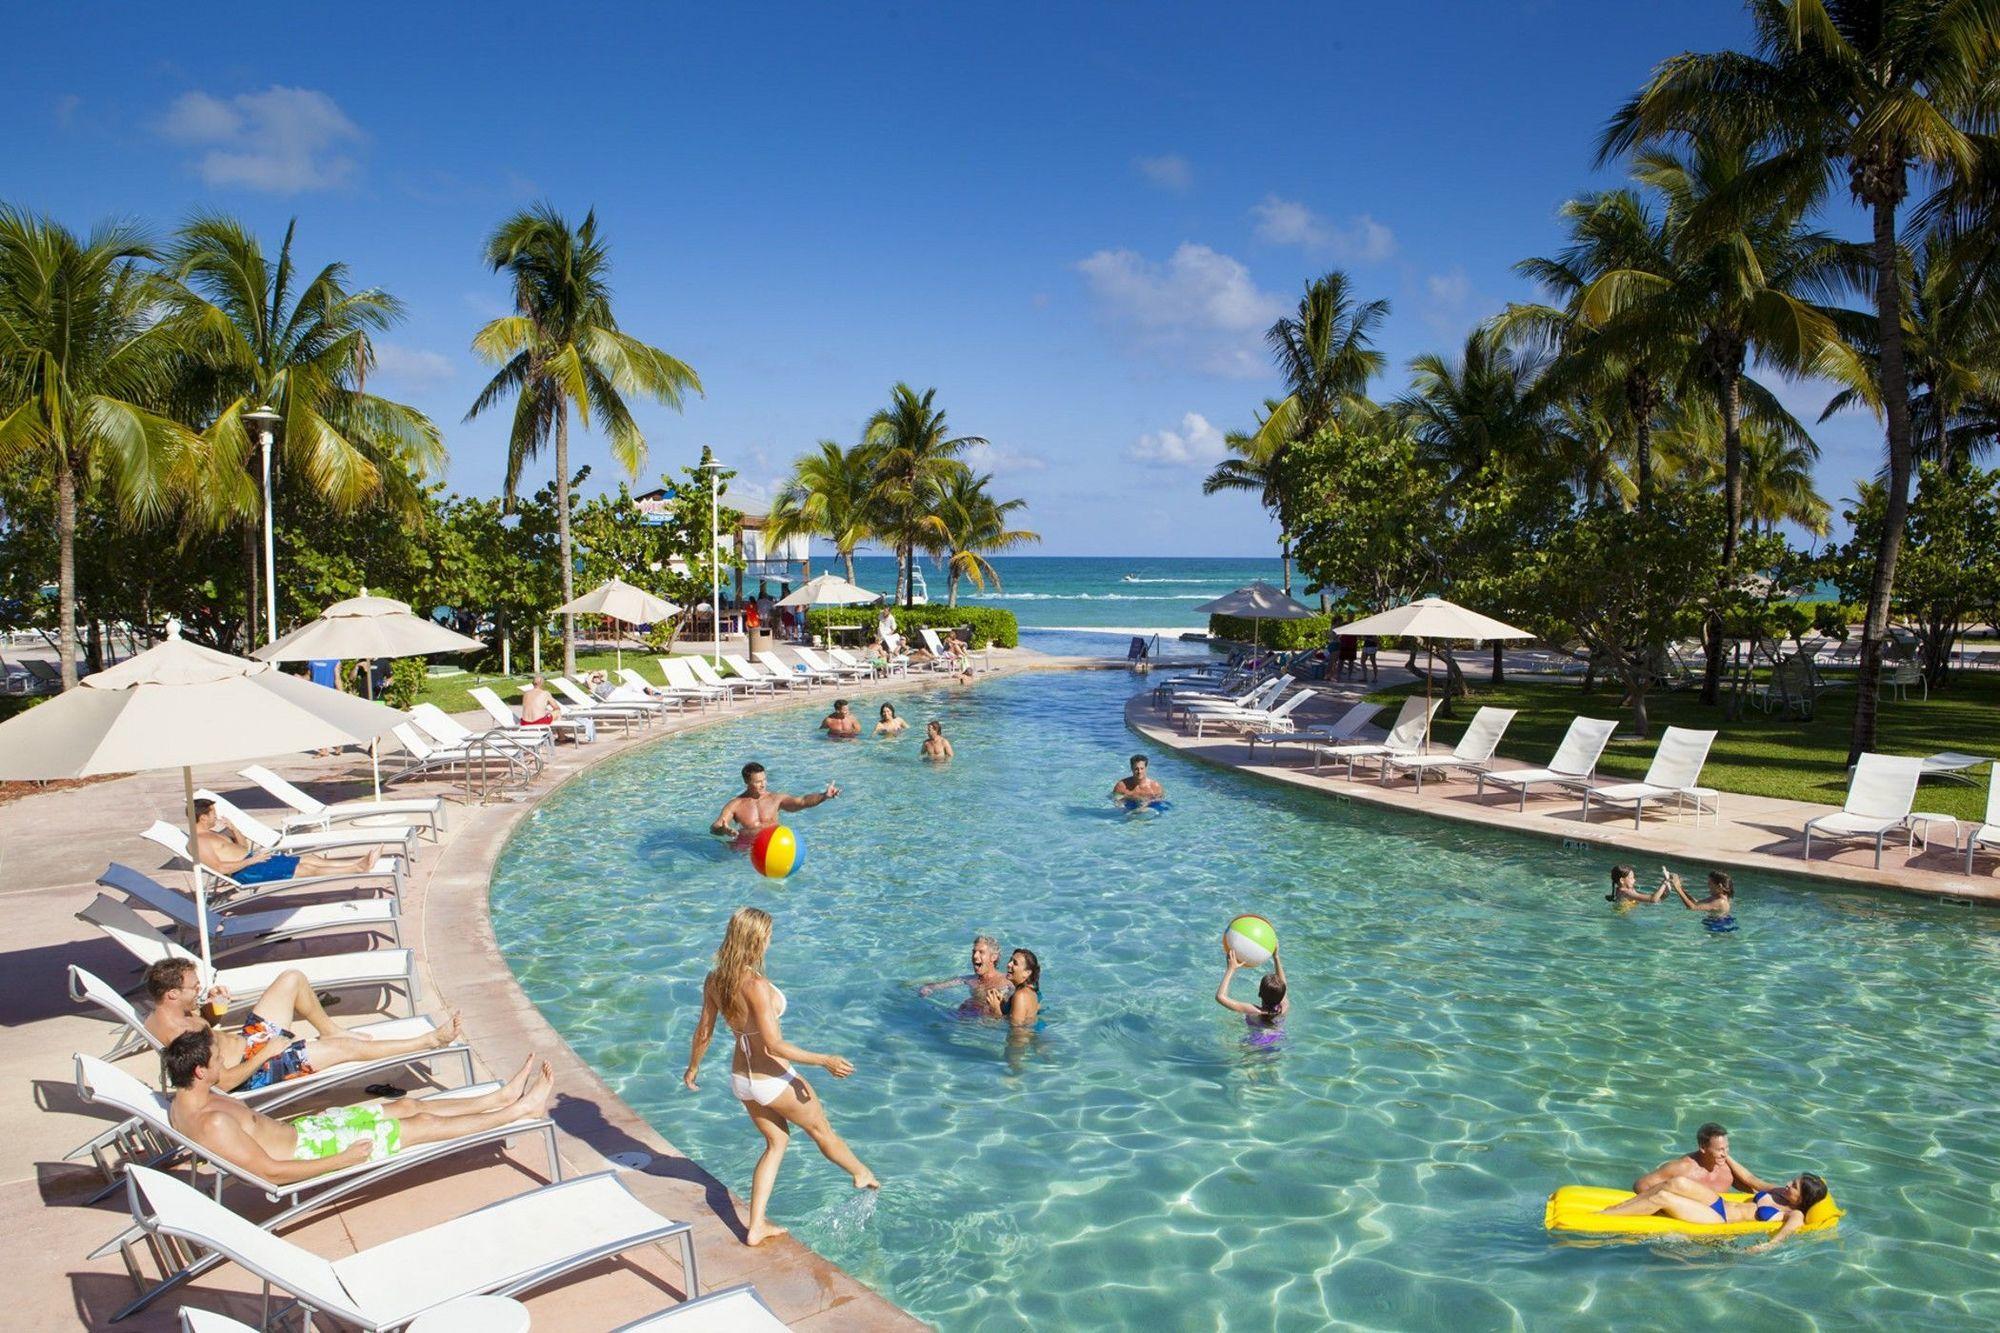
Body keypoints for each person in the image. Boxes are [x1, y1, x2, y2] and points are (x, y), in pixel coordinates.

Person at [683, 907, 877, 1246]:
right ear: (757, 939)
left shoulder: (715, 980)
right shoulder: (755, 985)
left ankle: (755, 1226)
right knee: (821, 1130)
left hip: (742, 1081)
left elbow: (704, 1031)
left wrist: (693, 1067)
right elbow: (773, 1044)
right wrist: (824, 1060)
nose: (771, 941)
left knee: (777, 1142)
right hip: (771, 1079)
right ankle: (862, 1174)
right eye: (769, 935)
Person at [164, 1027, 552, 1181]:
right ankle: (517, 1111)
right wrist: (343, 1160)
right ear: (199, 1071)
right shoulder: (211, 1121)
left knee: (408, 1106)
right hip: (317, 1149)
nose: (223, 1064)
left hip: (308, 1130)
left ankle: (497, 1098)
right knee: (421, 1127)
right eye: (216, 1061)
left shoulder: (184, 1099)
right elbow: (270, 1172)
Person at [141, 958, 462, 1092]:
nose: (198, 989)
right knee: (346, 1049)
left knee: (291, 979)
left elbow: (206, 1030)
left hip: (250, 1043)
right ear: (172, 993)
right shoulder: (178, 1034)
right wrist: (266, 1053)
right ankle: (429, 1042)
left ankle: (330, 1028)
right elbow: (221, 1082)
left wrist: (213, 1009)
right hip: (255, 1068)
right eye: (193, 987)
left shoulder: (173, 1014)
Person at [1596, 1172, 1829, 1251]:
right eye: (1793, 1180)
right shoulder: (1779, 1191)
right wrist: (1726, 1156)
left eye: (1795, 1186)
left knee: (1663, 1198)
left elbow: (1786, 1233)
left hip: (1718, 1219)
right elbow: (1750, 1179)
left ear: (1803, 1198)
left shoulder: (1794, 1214)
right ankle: (1619, 1208)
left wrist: (1766, 1246)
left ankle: (1603, 1217)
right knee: (1676, 1182)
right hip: (1718, 1202)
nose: (1789, 1183)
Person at [193, 798, 378, 885]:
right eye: (212, 814)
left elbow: (242, 847)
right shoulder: (200, 842)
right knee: (306, 869)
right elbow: (219, 868)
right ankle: (357, 868)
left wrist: (234, 830)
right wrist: (252, 861)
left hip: (253, 861)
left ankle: (354, 863)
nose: (215, 817)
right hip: (249, 871)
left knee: (310, 858)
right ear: (203, 818)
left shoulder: (214, 834)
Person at [711, 762, 839, 848]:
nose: (763, 785)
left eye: (764, 780)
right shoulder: (735, 804)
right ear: (746, 781)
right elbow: (715, 827)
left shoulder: (775, 799)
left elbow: (802, 801)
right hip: (747, 848)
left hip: (774, 845)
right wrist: (724, 830)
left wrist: (824, 796)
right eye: (757, 782)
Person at [1634, 1122, 1779, 1196]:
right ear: (1703, 1148)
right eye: (1720, 1149)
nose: (1725, 1154)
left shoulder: (1727, 1169)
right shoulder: (1682, 1167)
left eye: (1727, 1148)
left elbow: (1753, 1187)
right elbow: (1641, 1185)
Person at [917, 935, 1009, 1015]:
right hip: (967, 1015)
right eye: (974, 952)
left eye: (981, 952)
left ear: (994, 957)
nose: (975, 956)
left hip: (986, 1022)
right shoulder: (969, 979)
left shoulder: (1007, 982)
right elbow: (940, 985)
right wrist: (927, 988)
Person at [1215, 945, 1287, 1029]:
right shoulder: (1284, 1007)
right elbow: (1283, 984)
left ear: (1259, 993)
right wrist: (1276, 957)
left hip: (1256, 1039)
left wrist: (1231, 969)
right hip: (1276, 1035)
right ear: (1282, 995)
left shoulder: (1253, 1011)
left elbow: (1220, 997)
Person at [1666, 869, 1736, 928]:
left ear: (1719, 886)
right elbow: (1696, 903)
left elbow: (1692, 908)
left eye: (1710, 884)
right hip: (1714, 925)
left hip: (1718, 930)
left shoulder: (1721, 902)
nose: (1708, 886)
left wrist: (1678, 888)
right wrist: (1681, 888)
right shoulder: (1716, 897)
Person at [1002, 948, 1041, 1026]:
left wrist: (996, 1010)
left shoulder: (1021, 995)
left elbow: (1017, 1031)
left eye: (1015, 963)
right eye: (1010, 960)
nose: (1009, 964)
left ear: (1027, 973)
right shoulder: (1032, 992)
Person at [1605, 864, 1669, 908]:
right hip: (1626, 920)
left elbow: (1650, 900)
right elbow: (1653, 899)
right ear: (1622, 880)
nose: (1634, 880)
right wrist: (1665, 882)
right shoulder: (1626, 892)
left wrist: (1664, 895)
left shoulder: (1623, 889)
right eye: (1631, 878)